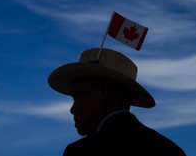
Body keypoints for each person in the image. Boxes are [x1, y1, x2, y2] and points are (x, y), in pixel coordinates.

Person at [48, 47, 186, 156]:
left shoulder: (81, 151)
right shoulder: (170, 150)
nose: (73, 109)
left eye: (77, 97)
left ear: (102, 92)